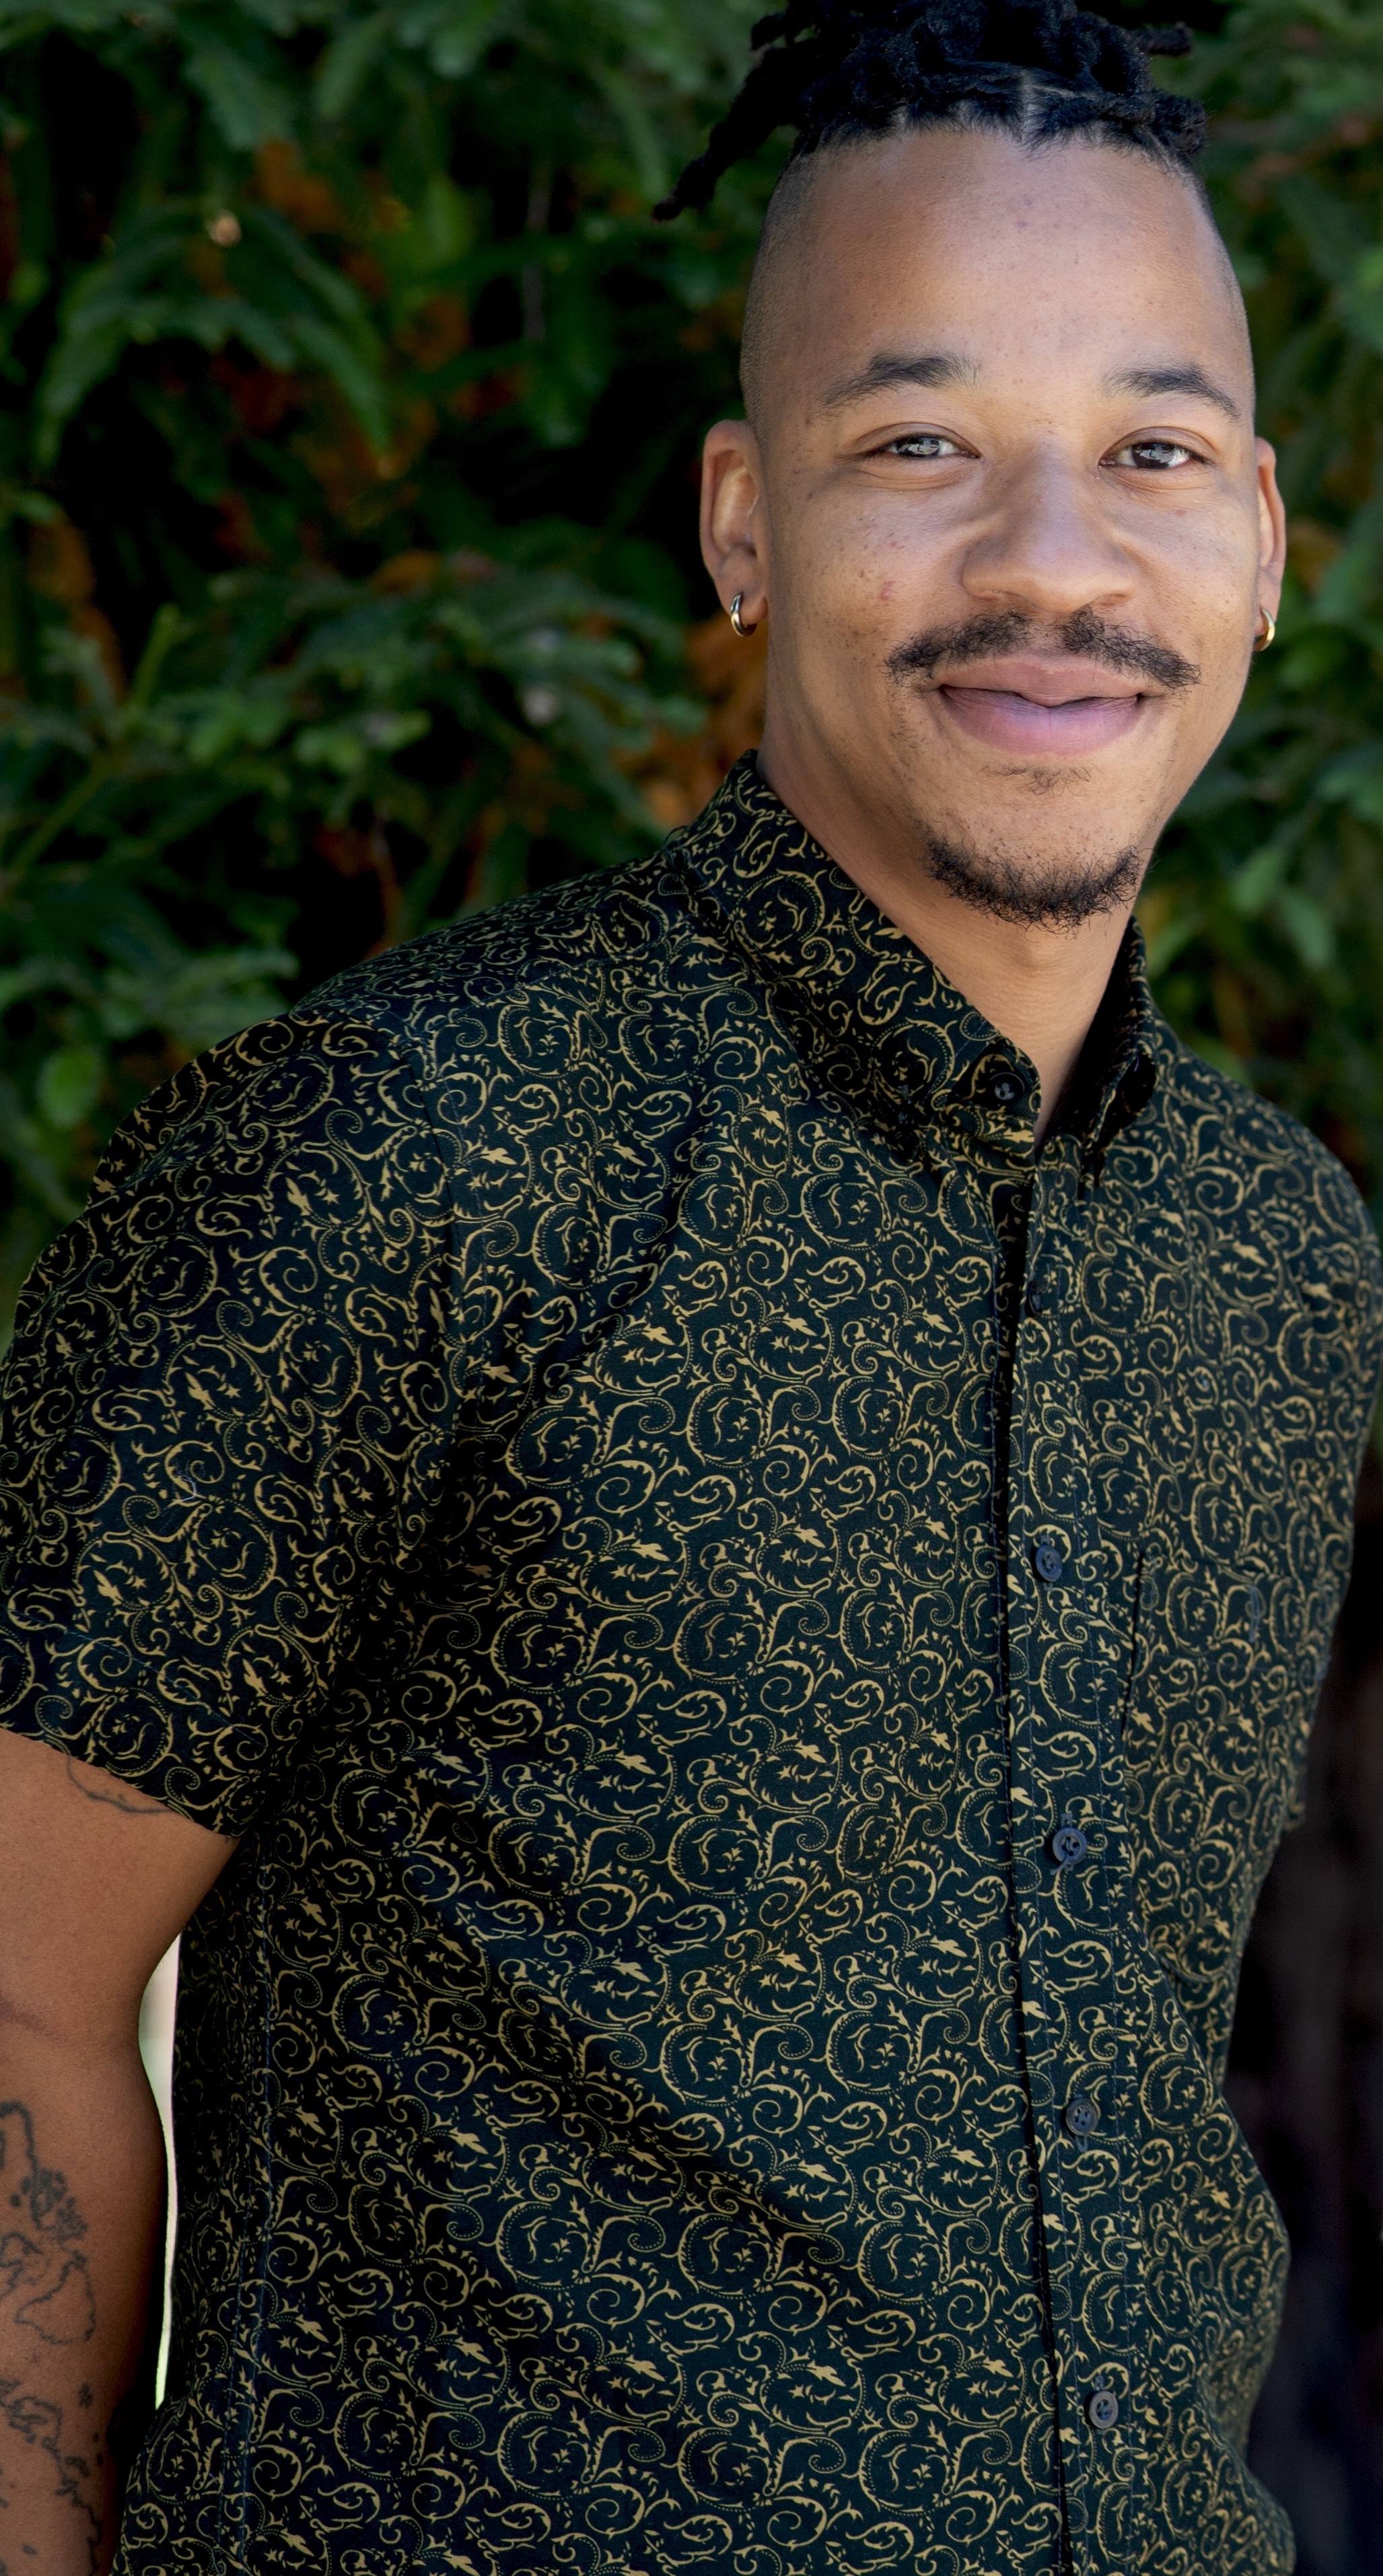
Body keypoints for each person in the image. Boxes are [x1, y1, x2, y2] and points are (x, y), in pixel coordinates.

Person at [1, 1, 1378, 2568]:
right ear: (745, 525)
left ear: (1271, 542)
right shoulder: (401, 1146)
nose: (1053, 562)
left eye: (1154, 453)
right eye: (921, 445)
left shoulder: (1284, 1265)